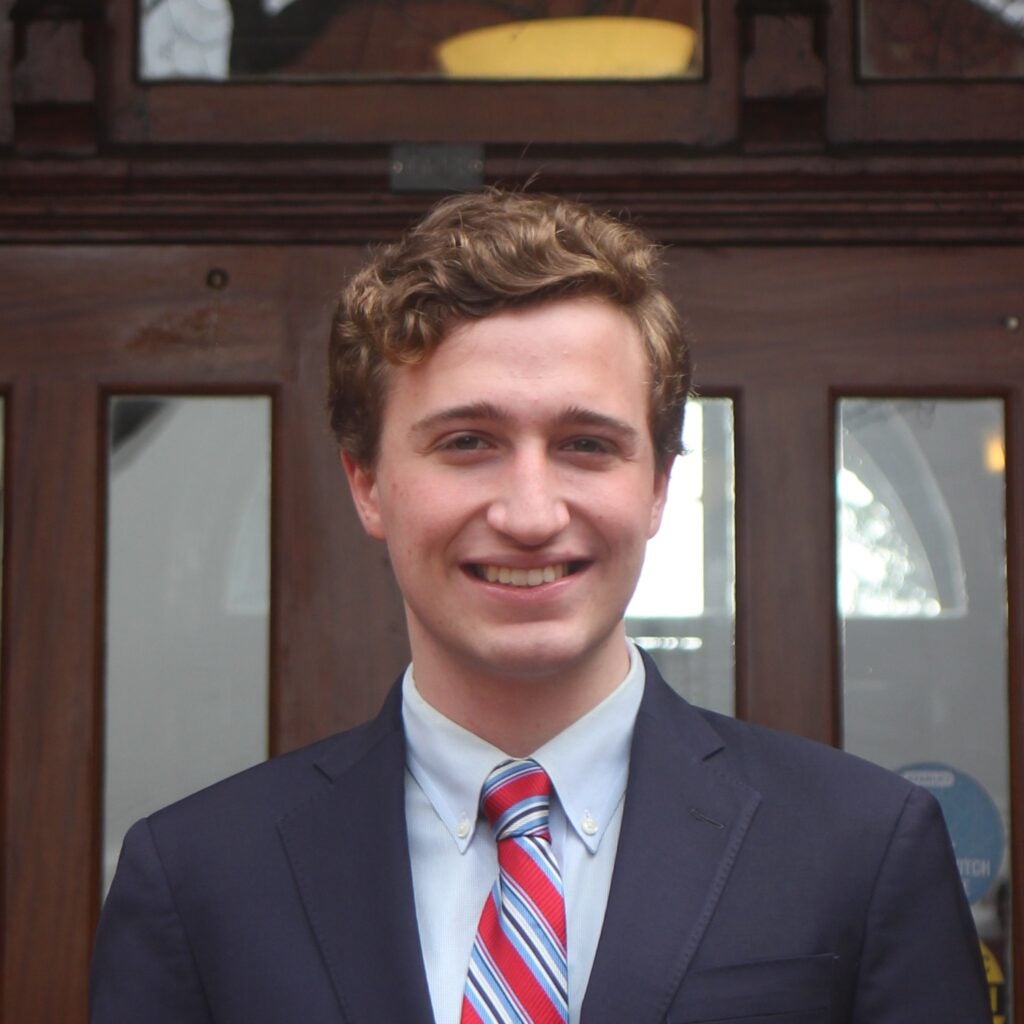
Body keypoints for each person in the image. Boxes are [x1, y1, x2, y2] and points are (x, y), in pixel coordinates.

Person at [90, 188, 989, 1023]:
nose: (530, 513)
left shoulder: (861, 848)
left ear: (659, 487)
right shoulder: (199, 877)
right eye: (468, 441)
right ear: (367, 482)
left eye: (587, 444)